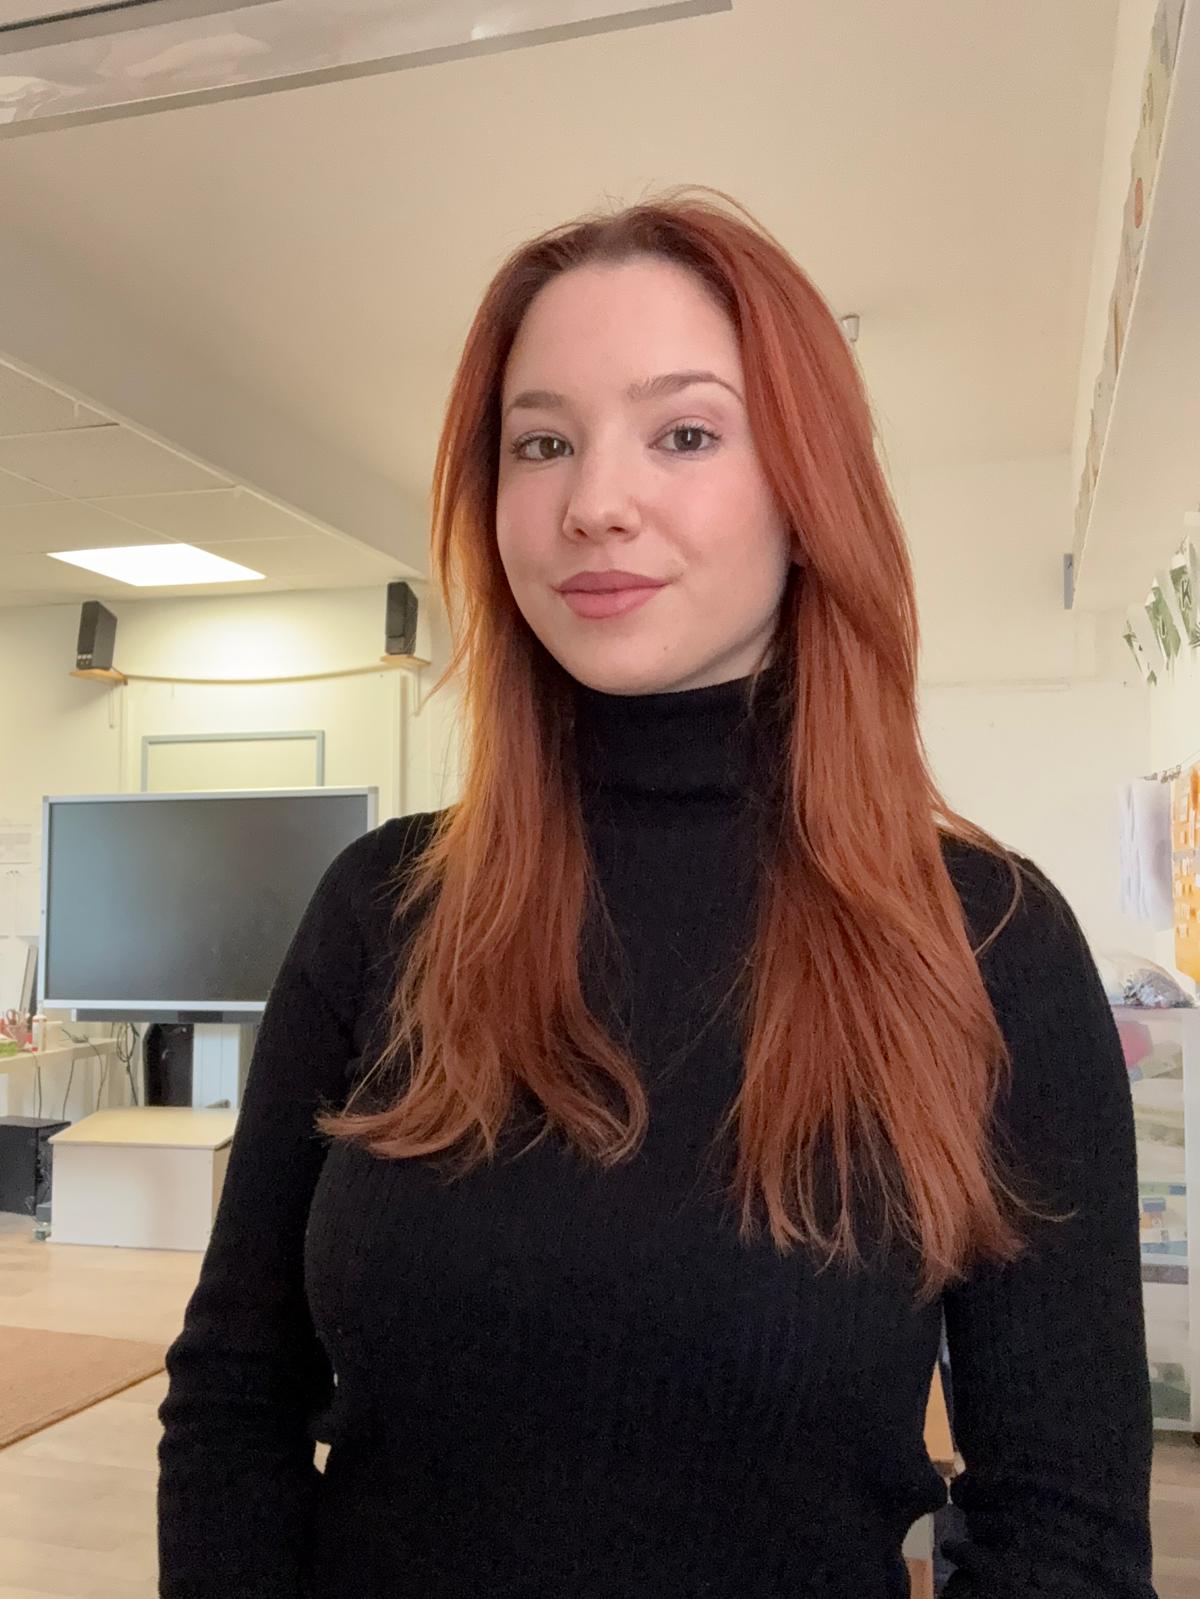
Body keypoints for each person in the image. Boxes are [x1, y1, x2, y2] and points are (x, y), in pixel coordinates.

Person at [157, 186, 1156, 1598]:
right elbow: (233, 1398)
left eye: (684, 434)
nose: (595, 503)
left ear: (809, 494)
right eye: (542, 443)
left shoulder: (987, 939)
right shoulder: (384, 906)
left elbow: (1064, 1528)